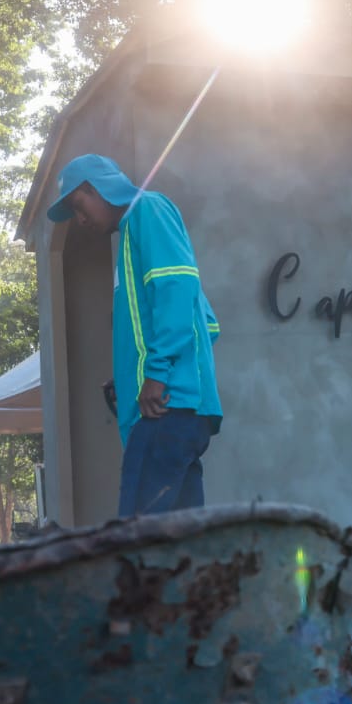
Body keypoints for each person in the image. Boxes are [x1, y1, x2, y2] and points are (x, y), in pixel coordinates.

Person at [47, 154, 222, 516]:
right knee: (182, 543)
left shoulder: (148, 210)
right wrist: (131, 374)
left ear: (100, 188)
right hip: (181, 414)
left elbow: (176, 286)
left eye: (79, 205)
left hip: (165, 412)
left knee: (138, 541)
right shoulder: (131, 239)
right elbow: (207, 323)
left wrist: (157, 373)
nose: (79, 220)